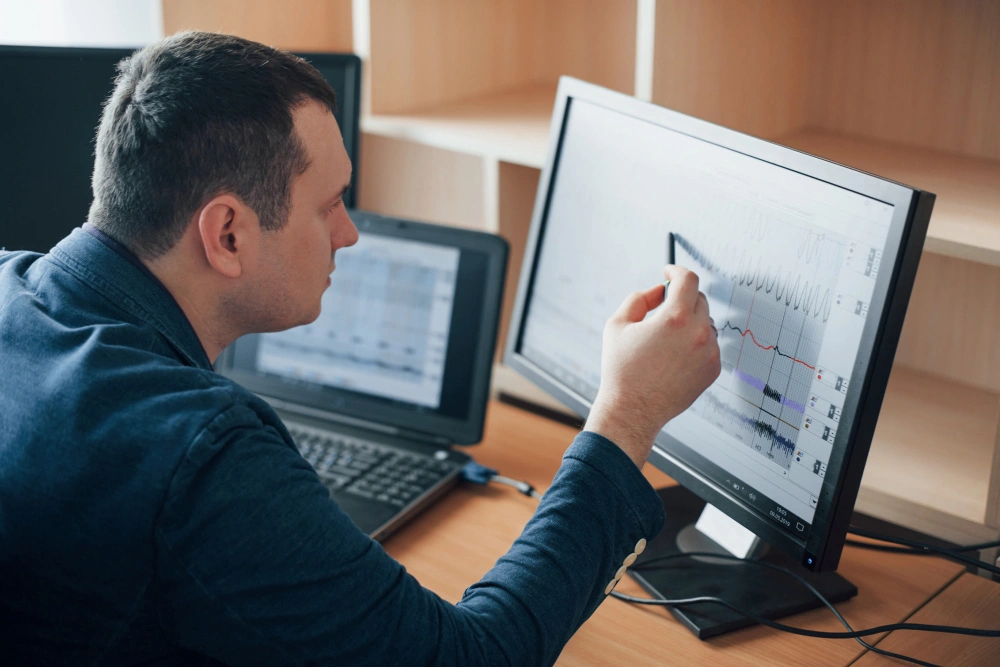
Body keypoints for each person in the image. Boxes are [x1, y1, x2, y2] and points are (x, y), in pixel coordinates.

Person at [0, 32, 720, 666]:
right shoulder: (201, 452)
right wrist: (627, 415)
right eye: (329, 204)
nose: (349, 232)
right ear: (227, 234)